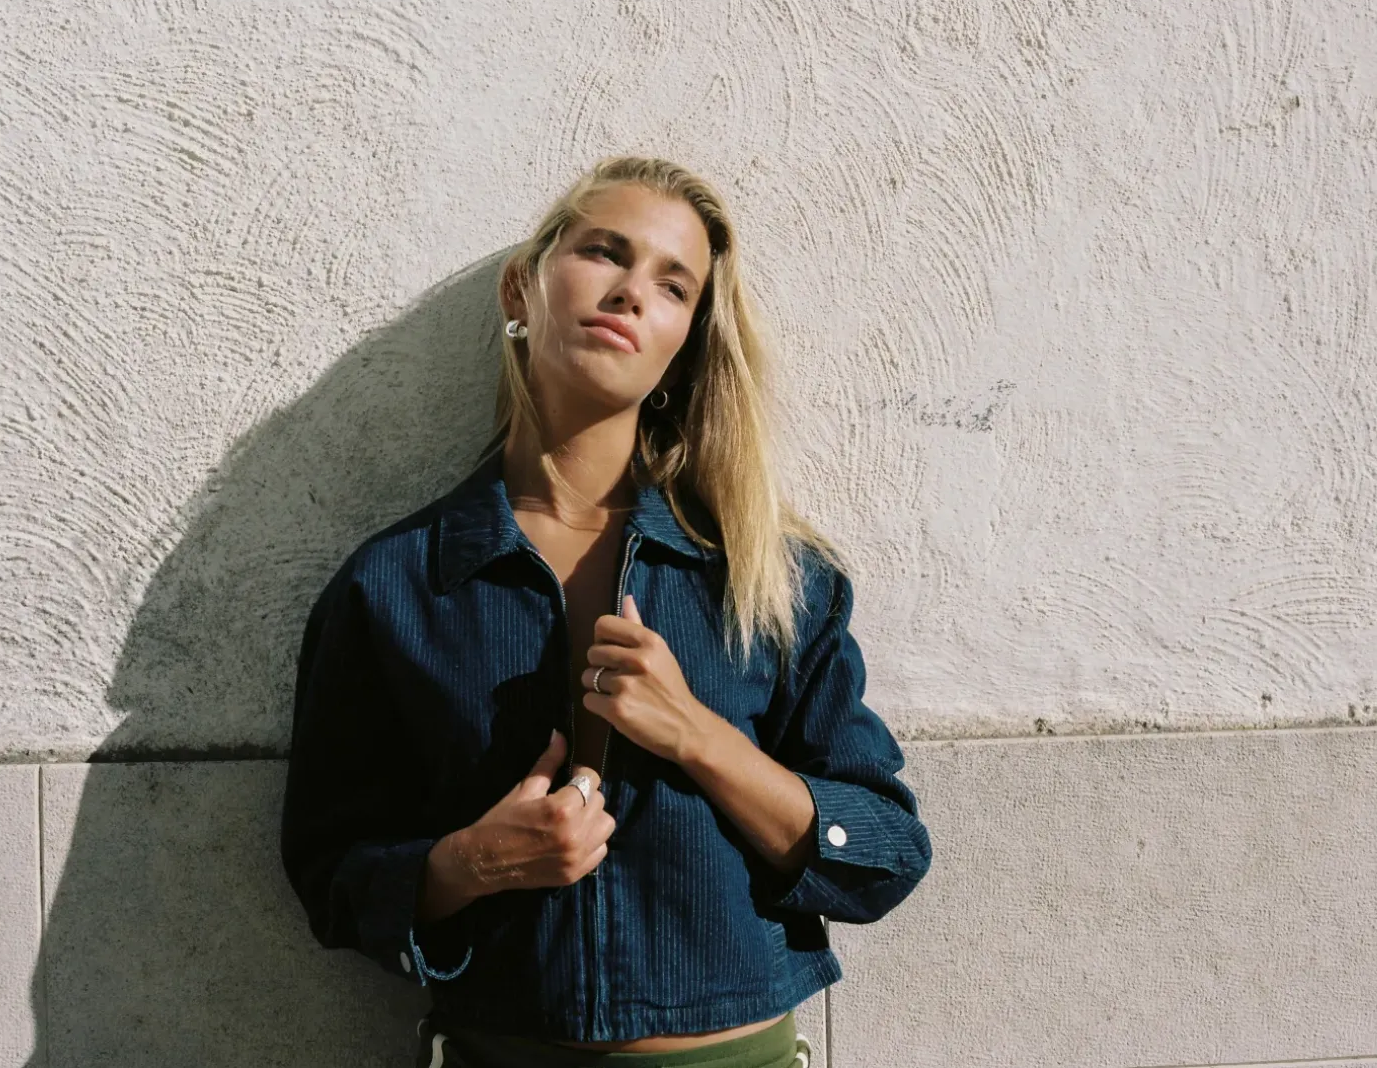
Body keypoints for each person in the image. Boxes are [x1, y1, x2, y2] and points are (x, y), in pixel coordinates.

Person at [280, 156, 933, 1068]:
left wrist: (699, 735)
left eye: (673, 286)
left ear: (683, 346)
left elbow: (885, 853)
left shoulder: (771, 578)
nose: (631, 292)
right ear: (522, 287)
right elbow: (330, 874)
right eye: (605, 253)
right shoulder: (395, 585)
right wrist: (471, 864)